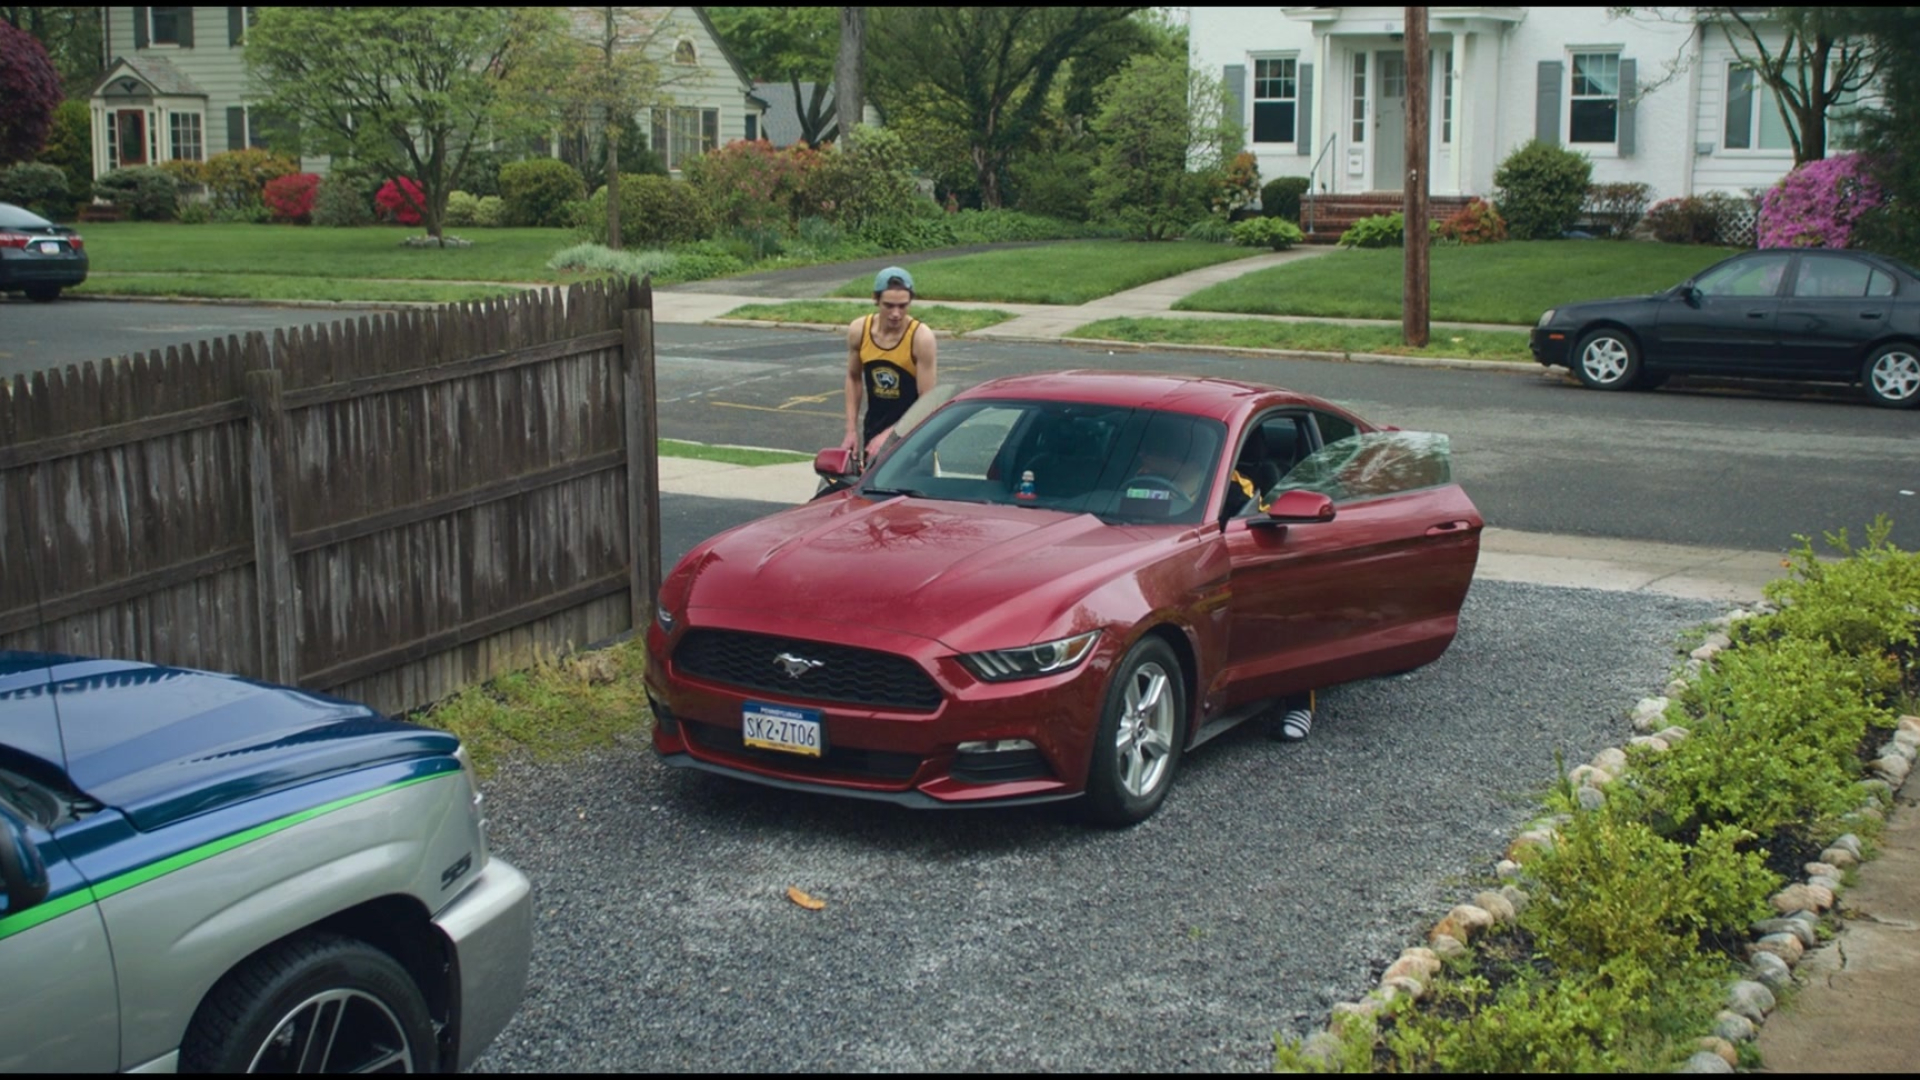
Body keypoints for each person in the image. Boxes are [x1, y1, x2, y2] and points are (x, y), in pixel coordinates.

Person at [843, 266, 938, 466]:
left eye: (903, 306)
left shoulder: (920, 337)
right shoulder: (860, 330)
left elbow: (927, 402)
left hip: (913, 435)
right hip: (874, 430)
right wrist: (851, 430)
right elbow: (853, 378)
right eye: (889, 306)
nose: (896, 313)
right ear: (875, 300)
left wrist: (891, 435)